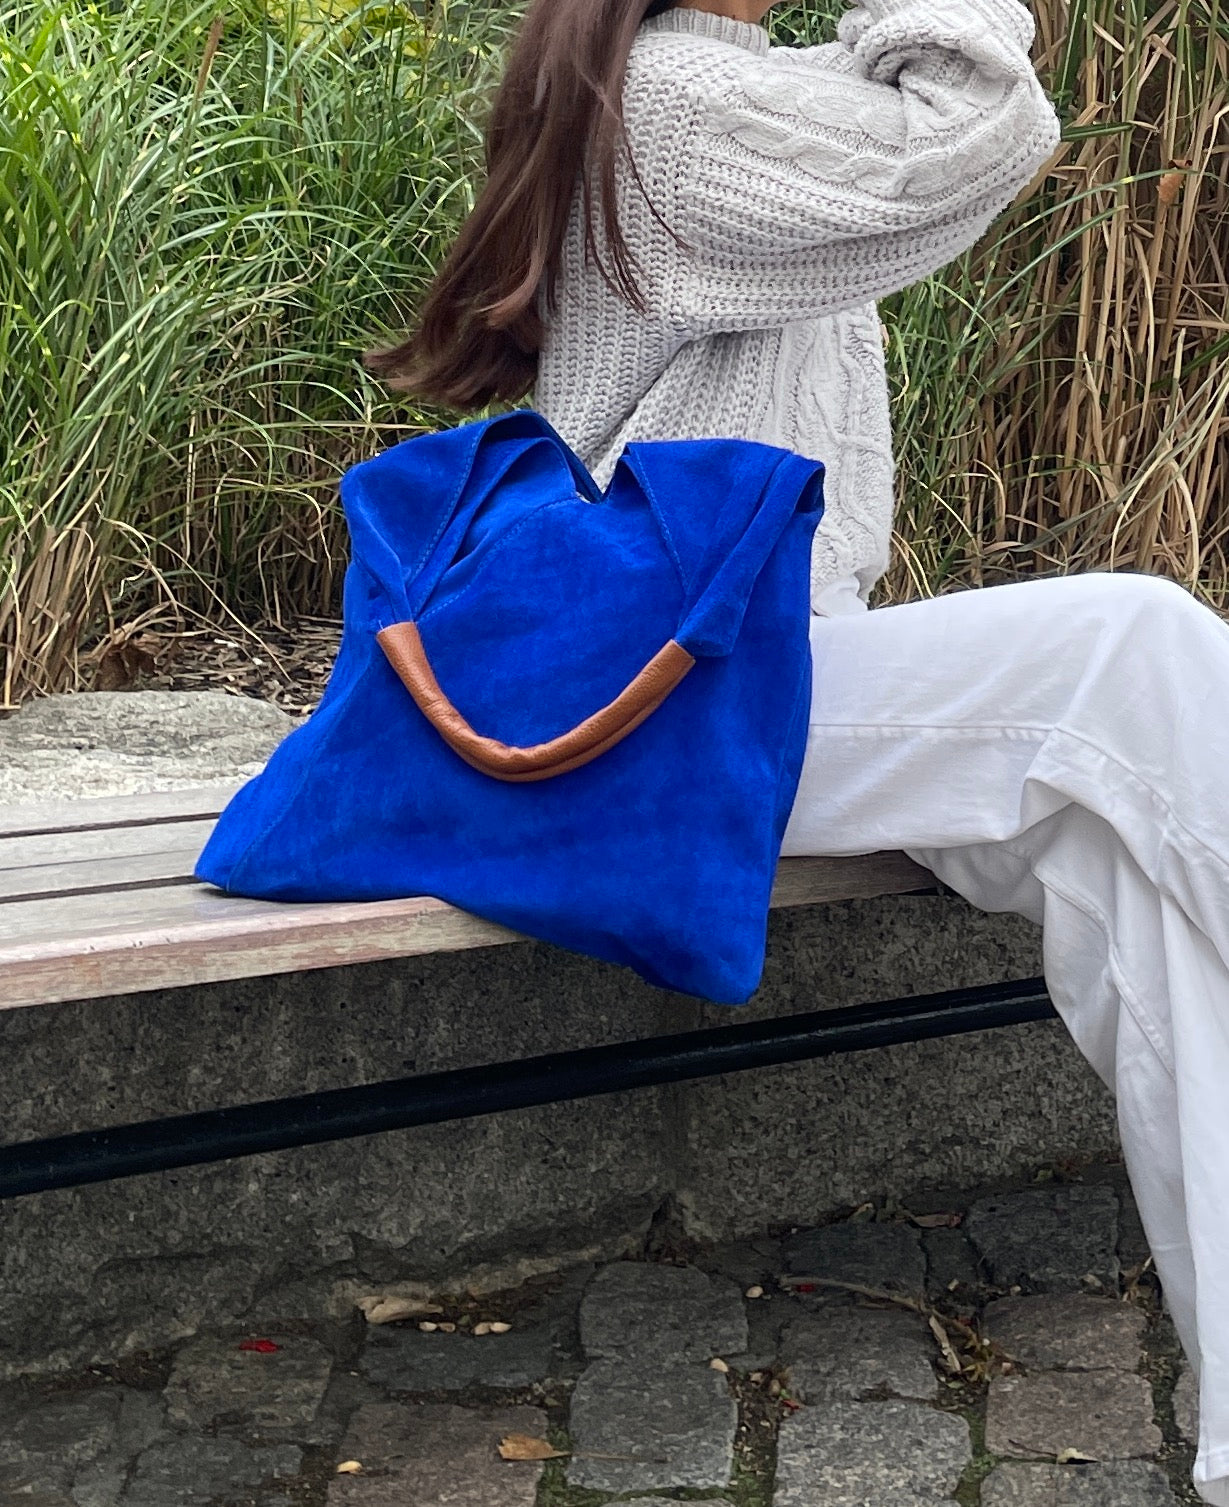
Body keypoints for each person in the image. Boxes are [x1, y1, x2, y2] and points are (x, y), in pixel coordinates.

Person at [367, 0, 1229, 1498]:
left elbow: (899, 118)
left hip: (717, 678)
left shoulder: (688, 88)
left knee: (1130, 877)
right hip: (683, 704)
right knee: (1131, 647)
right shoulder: (687, 100)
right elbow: (987, 124)